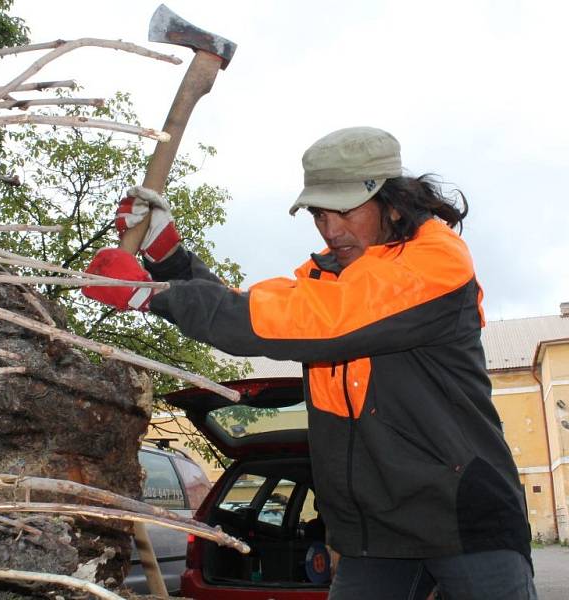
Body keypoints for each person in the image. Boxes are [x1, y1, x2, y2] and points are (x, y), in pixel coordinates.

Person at [84, 127, 537, 599]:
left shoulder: (433, 265)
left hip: (464, 521)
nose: (330, 228)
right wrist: (168, 260)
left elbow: (310, 320)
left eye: (344, 211)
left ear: (394, 203)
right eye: (320, 213)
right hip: (375, 536)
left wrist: (151, 296)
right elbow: (252, 308)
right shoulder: (330, 277)